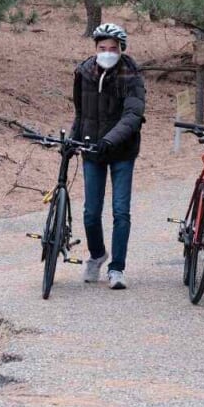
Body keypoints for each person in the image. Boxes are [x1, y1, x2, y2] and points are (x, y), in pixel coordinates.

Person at [70, 23, 146, 290]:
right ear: (95, 49)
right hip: (92, 150)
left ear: (121, 50)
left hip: (122, 151)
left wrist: (110, 140)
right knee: (91, 212)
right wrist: (73, 139)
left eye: (113, 49)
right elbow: (81, 113)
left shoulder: (131, 76)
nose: (108, 53)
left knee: (120, 211)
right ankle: (98, 254)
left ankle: (117, 268)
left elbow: (133, 116)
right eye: (103, 48)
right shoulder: (84, 73)